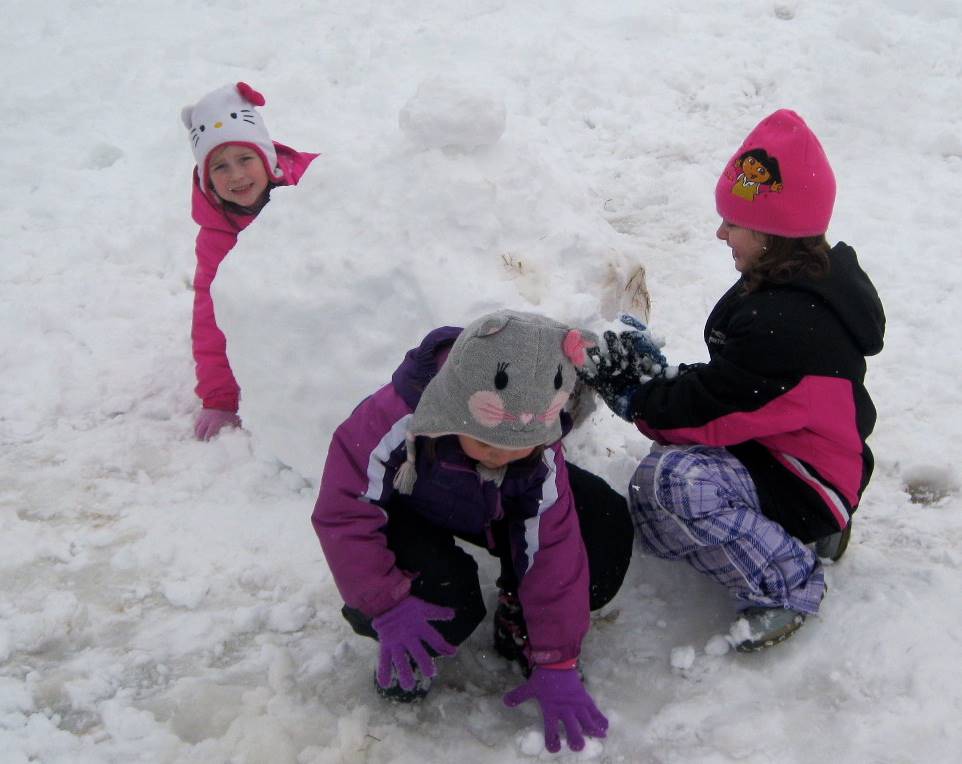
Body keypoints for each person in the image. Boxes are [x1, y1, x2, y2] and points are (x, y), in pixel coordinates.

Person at [571, 109, 885, 651]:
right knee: (662, 494)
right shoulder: (798, 285)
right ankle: (816, 530)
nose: (720, 233)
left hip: (807, 475)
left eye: (734, 222)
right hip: (799, 452)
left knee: (667, 488)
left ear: (774, 231)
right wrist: (660, 380)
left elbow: (716, 412)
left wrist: (639, 394)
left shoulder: (788, 325)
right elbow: (741, 388)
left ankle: (787, 583)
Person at [312, 310, 633, 753]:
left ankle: (519, 618)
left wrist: (558, 658)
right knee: (447, 598)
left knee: (599, 531)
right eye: (486, 443)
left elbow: (552, 550)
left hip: (493, 506)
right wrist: (383, 602)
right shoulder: (401, 412)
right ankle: (408, 645)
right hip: (410, 511)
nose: (501, 455)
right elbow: (344, 507)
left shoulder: (536, 444)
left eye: (519, 446)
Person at [181, 82, 318, 440]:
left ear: (267, 159)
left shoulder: (317, 188)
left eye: (245, 159)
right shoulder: (217, 237)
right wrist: (220, 398)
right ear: (207, 180)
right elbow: (211, 317)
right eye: (220, 168)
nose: (237, 175)